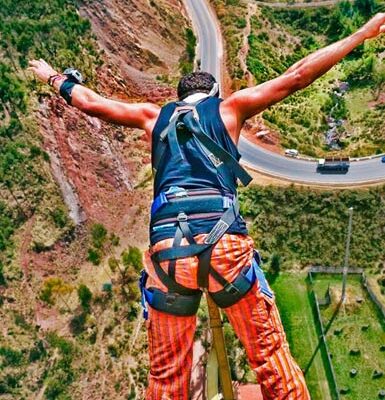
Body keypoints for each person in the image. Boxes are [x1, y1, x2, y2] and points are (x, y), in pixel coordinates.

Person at [29, 13, 385, 400]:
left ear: (179, 98)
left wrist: (53, 77)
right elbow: (298, 75)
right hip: (224, 245)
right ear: (212, 95)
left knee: (167, 379)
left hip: (168, 255)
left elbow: (91, 102)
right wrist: (362, 33)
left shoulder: (153, 116)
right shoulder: (229, 110)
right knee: (269, 357)